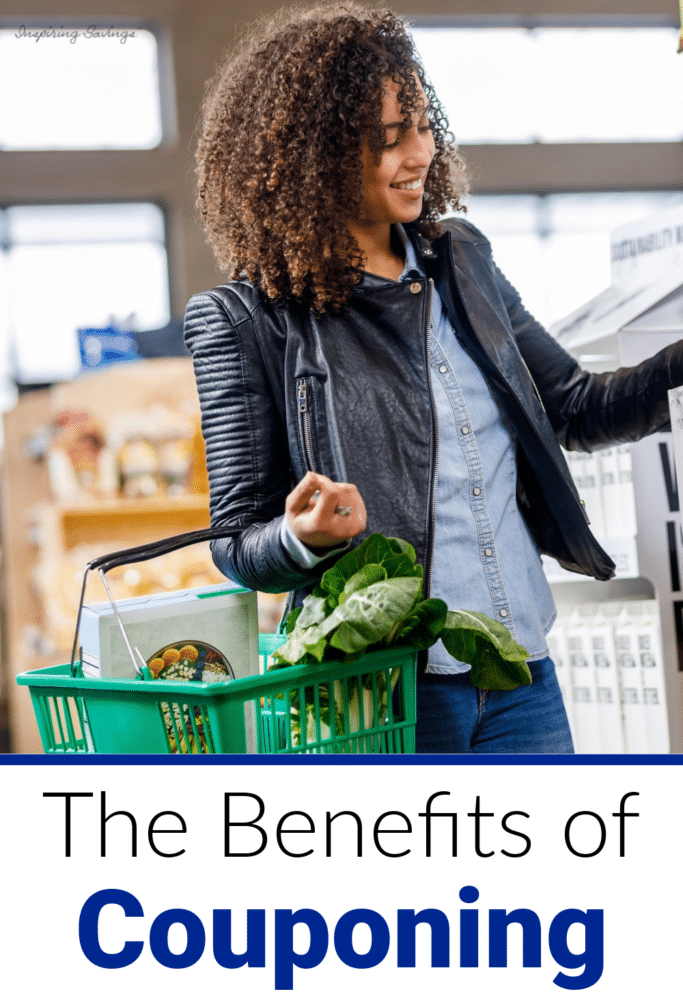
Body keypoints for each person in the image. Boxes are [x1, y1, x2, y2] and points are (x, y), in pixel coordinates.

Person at [185, 3, 683, 753]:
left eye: (421, 126)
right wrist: (302, 537)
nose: (419, 153)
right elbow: (235, 540)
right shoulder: (246, 320)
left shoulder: (462, 260)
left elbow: (577, 409)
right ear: (314, 154)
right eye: (389, 140)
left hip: (520, 675)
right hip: (379, 695)